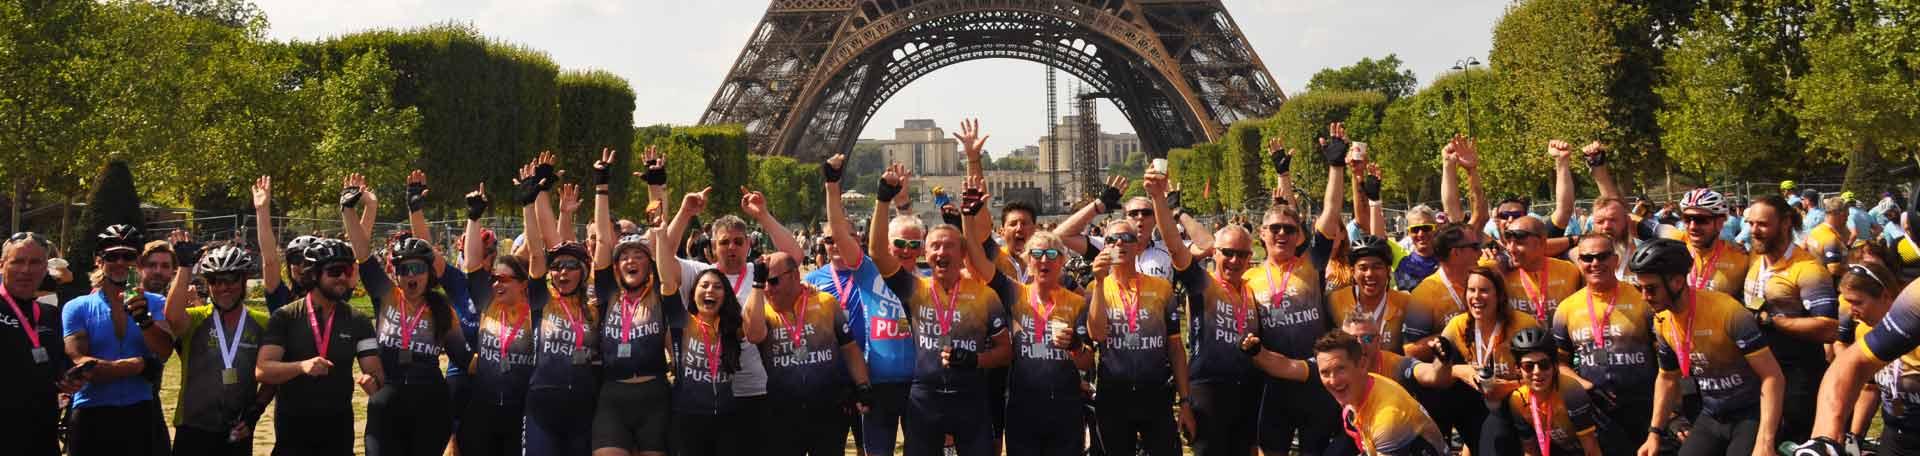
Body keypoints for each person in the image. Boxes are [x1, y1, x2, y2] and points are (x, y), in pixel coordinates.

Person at [659, 155, 807, 456]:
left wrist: (763, 215)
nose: (732, 248)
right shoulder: (699, 275)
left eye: (739, 242)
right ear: (712, 246)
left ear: (748, 246)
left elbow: (794, 255)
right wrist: (685, 214)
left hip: (755, 387)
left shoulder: (759, 272)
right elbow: (662, 256)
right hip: (708, 391)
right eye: (725, 242)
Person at [869, 169, 1012, 456]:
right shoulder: (914, 288)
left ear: (962, 254)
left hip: (971, 395)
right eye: (935, 246)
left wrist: (976, 359)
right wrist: (883, 200)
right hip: (925, 397)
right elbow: (877, 253)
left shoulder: (985, 294)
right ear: (925, 253)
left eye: (949, 246)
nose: (941, 251)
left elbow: (1006, 351)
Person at [335, 172, 470, 456]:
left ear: (429, 273)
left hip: (430, 405)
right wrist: (348, 210)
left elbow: (464, 359)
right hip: (387, 399)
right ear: (394, 274)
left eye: (418, 268)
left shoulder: (441, 308)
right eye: (404, 269)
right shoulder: (385, 295)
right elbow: (362, 255)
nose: (412, 276)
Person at [1631, 239, 1785, 456]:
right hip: (1712, 413)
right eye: (1639, 288)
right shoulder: (1662, 319)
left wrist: (1765, 441)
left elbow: (1772, 376)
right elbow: (1667, 378)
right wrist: (1654, 433)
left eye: (1651, 289)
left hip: (1751, 414)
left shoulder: (1728, 312)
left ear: (1676, 282)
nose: (1644, 297)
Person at [808, 153, 916, 456]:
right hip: (877, 383)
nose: (906, 251)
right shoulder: (867, 271)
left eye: (914, 245)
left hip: (918, 385)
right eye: (899, 245)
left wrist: (902, 204)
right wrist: (832, 186)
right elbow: (840, 235)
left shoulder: (928, 278)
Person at [143, 240, 274, 456]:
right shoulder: (196, 318)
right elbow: (173, 317)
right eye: (215, 280)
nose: (224, 287)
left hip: (237, 431)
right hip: (193, 429)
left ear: (244, 280)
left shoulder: (262, 324)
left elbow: (271, 378)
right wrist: (185, 266)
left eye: (231, 280)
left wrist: (254, 413)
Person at [254, 236, 382, 456]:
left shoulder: (358, 320)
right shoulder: (285, 317)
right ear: (313, 275)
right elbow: (262, 370)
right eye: (334, 271)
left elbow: (374, 371)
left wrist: (375, 383)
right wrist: (301, 367)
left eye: (348, 271)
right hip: (292, 432)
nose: (342, 277)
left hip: (338, 432)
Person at [594, 149, 680, 456]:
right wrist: (601, 185)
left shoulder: (658, 290)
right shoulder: (608, 294)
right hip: (612, 396)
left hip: (654, 394)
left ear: (649, 264)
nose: (631, 260)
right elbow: (604, 240)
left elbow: (661, 235)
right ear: (616, 268)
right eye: (625, 257)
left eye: (639, 256)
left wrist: (656, 187)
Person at [746, 251, 874, 456]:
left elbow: (849, 348)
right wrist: (757, 285)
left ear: (795, 276)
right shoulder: (760, 309)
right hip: (782, 412)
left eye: (773, 281)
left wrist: (863, 385)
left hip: (829, 408)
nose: (768, 287)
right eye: (764, 281)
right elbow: (753, 335)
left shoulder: (826, 302)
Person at [62, 224, 168, 456]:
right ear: (99, 261)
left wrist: (145, 321)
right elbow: (83, 364)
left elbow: (163, 352)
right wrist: (139, 365)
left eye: (128, 256)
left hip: (141, 410)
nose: (121, 262)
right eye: (112, 256)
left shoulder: (156, 303)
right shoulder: (76, 307)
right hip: (91, 411)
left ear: (138, 262)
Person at [1742, 195, 1839, 445]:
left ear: (1785, 223)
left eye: (1762, 224)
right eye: (1750, 223)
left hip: (1798, 378)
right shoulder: (1755, 260)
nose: (1754, 230)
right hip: (1759, 373)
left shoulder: (1808, 268)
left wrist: (1775, 322)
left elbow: (1829, 328)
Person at [1552, 234, 1659, 455]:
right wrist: (1584, 385)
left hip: (1644, 404)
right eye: (1587, 258)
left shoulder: (1643, 299)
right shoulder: (1566, 308)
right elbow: (1558, 364)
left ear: (1616, 260)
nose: (1595, 264)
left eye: (1602, 256)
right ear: (1579, 262)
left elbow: (1666, 357)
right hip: (1598, 409)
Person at [999, 230, 1091, 456]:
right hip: (1023, 405)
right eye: (1037, 253)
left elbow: (1087, 362)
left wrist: (1075, 346)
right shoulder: (1014, 294)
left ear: (1062, 261)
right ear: (1027, 260)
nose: (1044, 259)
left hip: (1064, 406)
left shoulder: (1077, 303)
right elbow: (981, 262)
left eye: (1052, 253)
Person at [1435, 266, 1539, 455]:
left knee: (1497, 431)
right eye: (1472, 290)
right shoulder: (1458, 325)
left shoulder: (1523, 325)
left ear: (1499, 296)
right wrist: (1461, 371)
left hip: (1517, 402)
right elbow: (1436, 372)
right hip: (1478, 402)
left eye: (1484, 290)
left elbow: (1547, 377)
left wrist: (1507, 387)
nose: (1476, 297)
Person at [2, 232, 84, 456]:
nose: (26, 270)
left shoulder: (49, 314)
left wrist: (67, 379)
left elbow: (58, 365)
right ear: (2, 265)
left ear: (45, 268)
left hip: (41, 438)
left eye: (35, 262)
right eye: (18, 261)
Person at [660, 259, 748, 456]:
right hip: (687, 417)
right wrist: (661, 234)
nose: (710, 291)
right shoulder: (681, 321)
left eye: (718, 287)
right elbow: (666, 281)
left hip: (726, 417)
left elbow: (759, 317)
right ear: (693, 293)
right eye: (704, 285)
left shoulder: (734, 326)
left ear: (725, 296)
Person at [1315, 330, 1448, 456]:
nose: (1333, 381)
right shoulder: (1359, 387)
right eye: (1325, 373)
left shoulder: (1388, 417)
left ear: (1362, 365)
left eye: (1341, 369)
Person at [1483, 328, 1603, 456]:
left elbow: (1591, 449)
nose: (1537, 372)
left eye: (1544, 364)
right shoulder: (1517, 400)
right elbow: (1530, 449)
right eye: (1528, 366)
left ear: (1555, 366)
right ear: (1518, 369)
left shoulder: (1570, 391)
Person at [1666, 188, 1751, 296]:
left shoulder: (1741, 258)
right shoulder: (1674, 244)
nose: (1692, 226)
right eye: (1687, 218)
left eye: (1701, 219)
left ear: (1720, 223)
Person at [1806, 197, 1852, 277]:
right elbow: (1834, 269)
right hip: (1828, 283)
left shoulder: (1816, 230)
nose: (1847, 219)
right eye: (1846, 215)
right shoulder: (1831, 239)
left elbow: (1804, 247)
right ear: (1840, 214)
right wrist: (1851, 271)